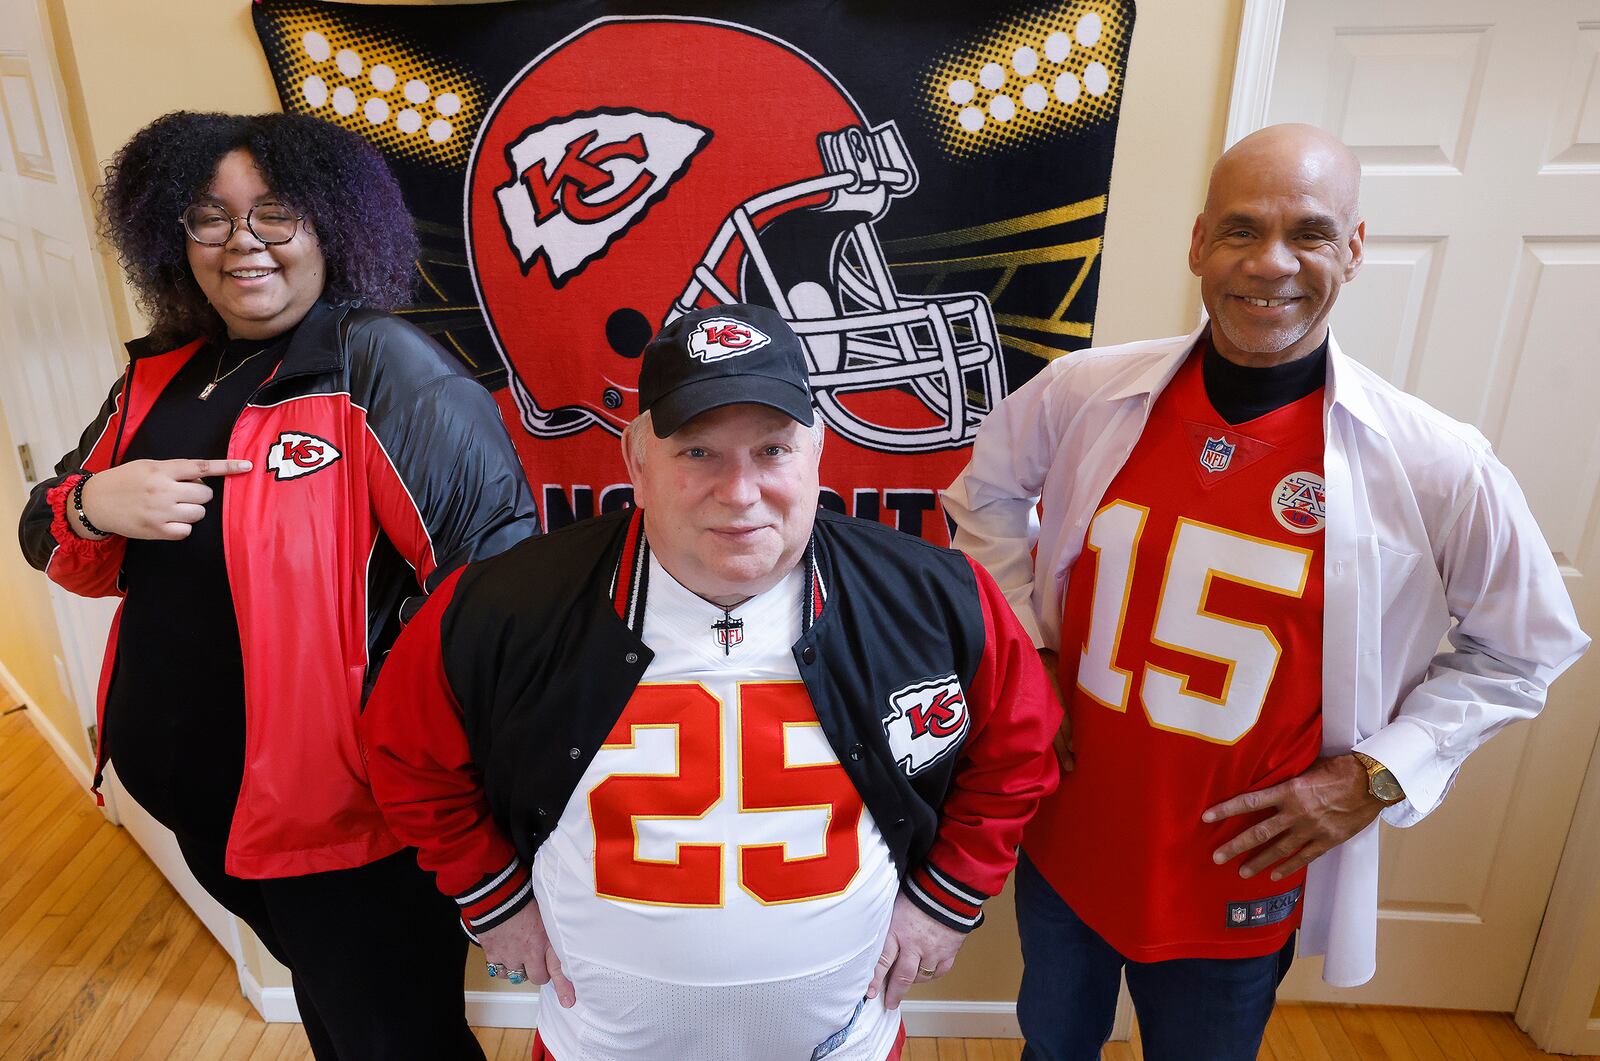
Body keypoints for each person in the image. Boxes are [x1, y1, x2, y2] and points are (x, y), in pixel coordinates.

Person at [941, 123, 1589, 1060]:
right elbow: (985, 494)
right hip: (1069, 834)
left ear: (1355, 250)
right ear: (1199, 242)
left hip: (1241, 876)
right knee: (1052, 1041)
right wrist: (1033, 657)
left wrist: (1378, 773)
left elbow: (1528, 647)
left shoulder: (1435, 461)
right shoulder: (1088, 390)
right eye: (1242, 230)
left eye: (1311, 233)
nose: (1271, 263)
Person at [358, 303, 1060, 1061]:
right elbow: (402, 752)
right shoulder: (505, 604)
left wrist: (944, 905)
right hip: (596, 1046)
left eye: (772, 448)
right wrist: (493, 902)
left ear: (818, 448)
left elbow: (1019, 751)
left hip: (845, 1045)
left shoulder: (936, 598)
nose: (740, 490)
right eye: (697, 453)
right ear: (636, 458)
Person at [17, 111, 538, 1060]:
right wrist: (95, 501)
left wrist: (387, 754)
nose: (242, 242)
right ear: (171, 235)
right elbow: (48, 535)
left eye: (276, 214)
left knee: (397, 1034)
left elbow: (494, 604)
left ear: (332, 227)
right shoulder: (160, 376)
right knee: (335, 1012)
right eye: (209, 217)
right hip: (196, 799)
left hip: (345, 825)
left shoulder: (383, 368)